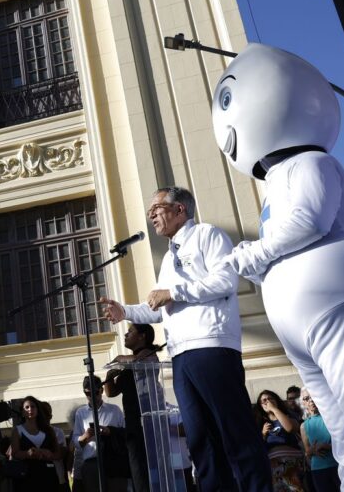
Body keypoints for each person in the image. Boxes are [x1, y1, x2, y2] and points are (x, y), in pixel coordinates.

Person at [211, 43, 344, 490]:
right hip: (307, 325)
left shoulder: (312, 162)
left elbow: (310, 220)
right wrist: (257, 264)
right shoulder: (275, 184)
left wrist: (251, 255)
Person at [100, 186, 272, 491]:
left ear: (180, 209)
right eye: (150, 211)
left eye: (156, 209)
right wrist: (124, 310)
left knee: (235, 433)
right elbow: (158, 306)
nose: (151, 216)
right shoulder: (169, 258)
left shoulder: (208, 235)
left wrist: (174, 292)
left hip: (212, 346)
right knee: (201, 440)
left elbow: (225, 281)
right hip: (180, 355)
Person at [103, 323, 163, 492]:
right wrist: (109, 375)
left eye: (130, 331)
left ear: (142, 336)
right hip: (132, 421)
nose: (125, 335)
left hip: (147, 419)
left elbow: (138, 361)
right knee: (137, 468)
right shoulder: (128, 365)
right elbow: (111, 392)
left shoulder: (149, 354)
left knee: (147, 466)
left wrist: (118, 358)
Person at [72, 375, 126, 492]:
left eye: (95, 392)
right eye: (88, 393)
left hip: (114, 461)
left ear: (101, 390)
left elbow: (125, 434)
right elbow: (75, 440)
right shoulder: (81, 413)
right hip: (92, 463)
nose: (92, 396)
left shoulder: (114, 410)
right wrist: (85, 436)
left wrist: (110, 431)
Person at [255, 390, 306, 491]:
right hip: (273, 466)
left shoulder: (287, 416)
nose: (267, 401)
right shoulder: (260, 423)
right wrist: (263, 434)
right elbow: (258, 447)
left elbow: (290, 428)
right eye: (264, 400)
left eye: (270, 398)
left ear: (277, 401)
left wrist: (274, 409)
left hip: (292, 463)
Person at [299, 389, 340, 492]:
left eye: (313, 396)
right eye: (306, 398)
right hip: (318, 469)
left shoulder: (331, 418)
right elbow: (307, 452)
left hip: (338, 465)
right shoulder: (304, 426)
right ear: (303, 403)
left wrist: (328, 446)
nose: (311, 400)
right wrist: (312, 450)